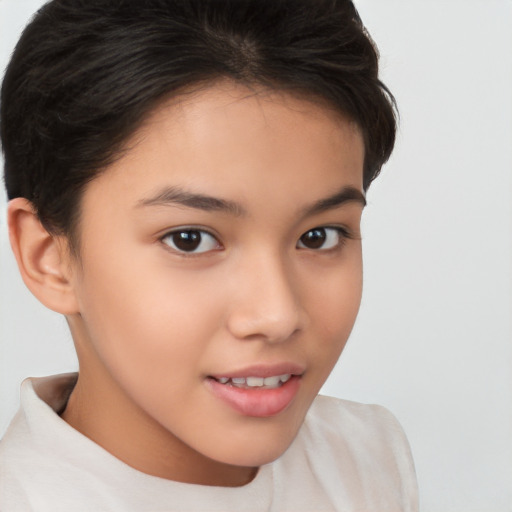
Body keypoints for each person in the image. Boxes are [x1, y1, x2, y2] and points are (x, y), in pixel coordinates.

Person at [0, 0, 419, 510]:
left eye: (319, 236)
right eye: (190, 239)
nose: (277, 316)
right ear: (48, 256)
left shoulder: (365, 456)